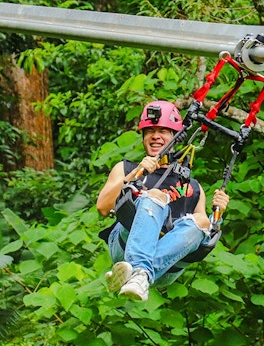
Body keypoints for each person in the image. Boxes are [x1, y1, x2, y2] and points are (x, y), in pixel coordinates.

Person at [96, 100, 229, 301]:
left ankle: (141, 275)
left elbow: (204, 234)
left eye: (163, 131)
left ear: (176, 137)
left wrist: (217, 216)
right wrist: (135, 174)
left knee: (202, 222)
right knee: (155, 196)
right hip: (125, 249)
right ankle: (141, 271)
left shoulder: (192, 187)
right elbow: (103, 207)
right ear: (143, 138)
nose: (156, 136)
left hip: (168, 267)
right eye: (150, 131)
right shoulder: (126, 168)